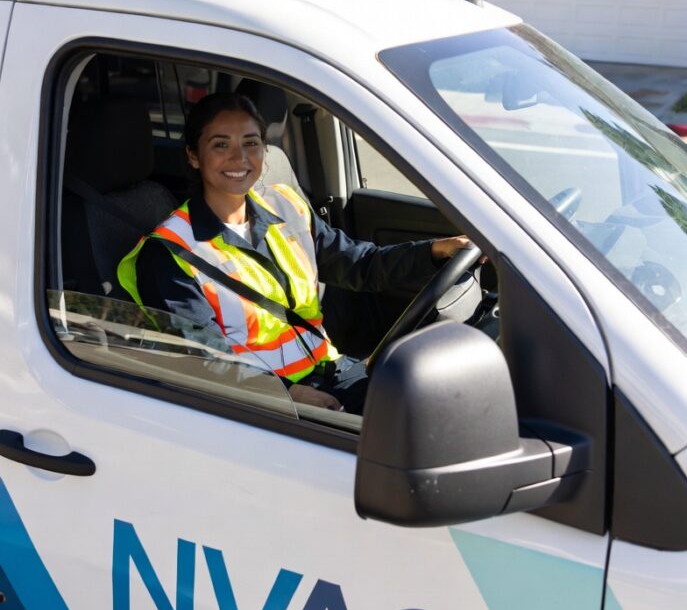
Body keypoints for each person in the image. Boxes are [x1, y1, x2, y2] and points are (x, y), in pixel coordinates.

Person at [117, 92, 477, 414]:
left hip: (331, 371)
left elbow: (359, 264)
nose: (240, 157)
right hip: (266, 407)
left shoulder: (286, 207)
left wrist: (433, 251)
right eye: (220, 145)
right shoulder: (170, 252)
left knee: (444, 399)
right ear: (194, 156)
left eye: (251, 143)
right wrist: (286, 394)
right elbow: (205, 359)